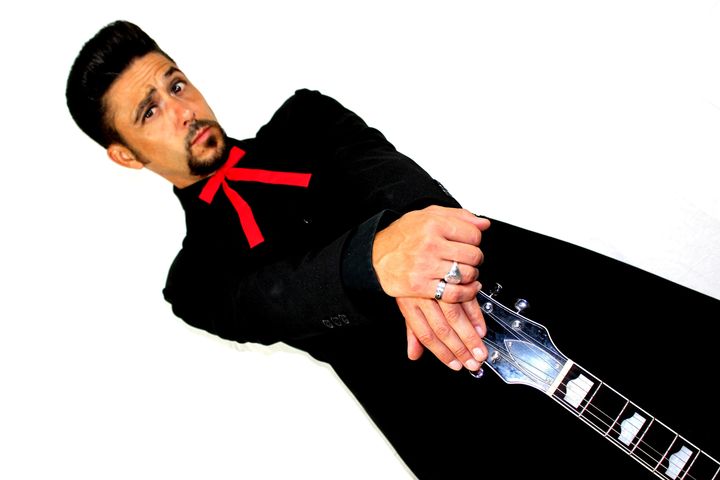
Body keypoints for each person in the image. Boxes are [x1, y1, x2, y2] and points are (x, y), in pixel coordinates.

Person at [66, 20, 718, 479]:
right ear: (125, 155)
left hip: (540, 292)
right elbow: (274, 297)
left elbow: (397, 183)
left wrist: (419, 251)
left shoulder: (306, 118)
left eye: (176, 84)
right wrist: (375, 260)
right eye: (149, 111)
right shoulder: (196, 282)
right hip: (453, 419)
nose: (182, 110)